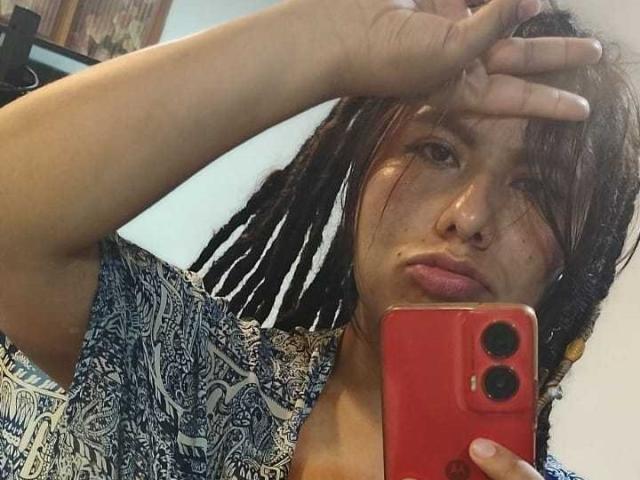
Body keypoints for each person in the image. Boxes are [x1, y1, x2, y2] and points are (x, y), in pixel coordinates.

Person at [0, 0, 636, 478]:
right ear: (356, 178)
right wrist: (336, 44)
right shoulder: (197, 373)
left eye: (537, 190)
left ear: (573, 257)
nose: (469, 217)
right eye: (437, 151)